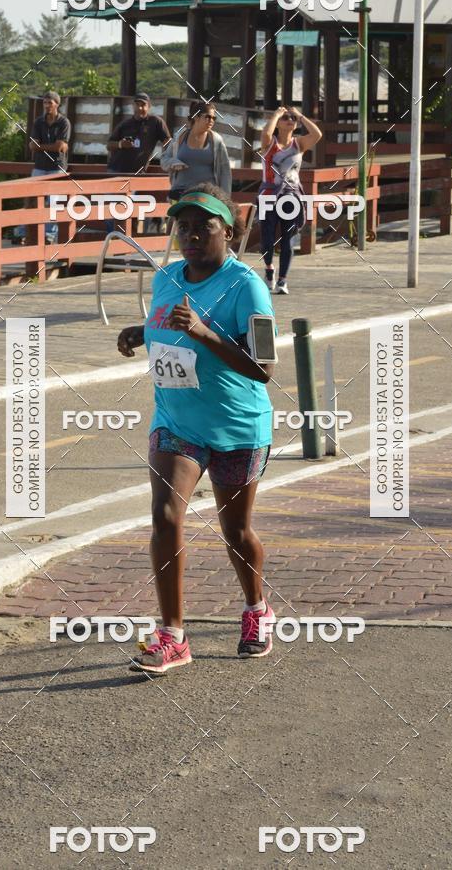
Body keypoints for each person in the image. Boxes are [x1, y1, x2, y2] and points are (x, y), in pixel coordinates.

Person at [117, 183, 276, 674]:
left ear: (228, 230)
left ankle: (256, 609)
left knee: (236, 531)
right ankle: (173, 635)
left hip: (237, 424)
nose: (190, 234)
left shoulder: (246, 284)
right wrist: (136, 332)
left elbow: (265, 366)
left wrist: (204, 333)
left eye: (203, 225)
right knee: (165, 516)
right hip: (177, 421)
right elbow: (164, 327)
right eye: (182, 226)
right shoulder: (165, 278)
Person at [258, 105, 322, 294]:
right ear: (278, 123)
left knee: (288, 239)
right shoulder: (270, 143)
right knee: (267, 239)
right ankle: (269, 269)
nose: (289, 120)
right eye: (286, 118)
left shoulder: (299, 143)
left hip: (291, 196)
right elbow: (265, 133)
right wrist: (276, 114)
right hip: (269, 194)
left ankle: (283, 280)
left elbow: (317, 134)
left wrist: (301, 115)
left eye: (291, 118)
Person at [15, 91, 71, 245]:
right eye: (45, 103)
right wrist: (51, 147)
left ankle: (49, 235)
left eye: (50, 103)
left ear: (57, 104)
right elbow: (33, 145)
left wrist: (43, 147)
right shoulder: (38, 122)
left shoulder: (64, 122)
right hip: (40, 166)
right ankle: (23, 232)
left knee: (54, 203)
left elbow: (60, 147)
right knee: (31, 201)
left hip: (57, 167)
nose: (47, 106)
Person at [161, 101, 232, 201]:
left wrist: (225, 200)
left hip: (207, 195)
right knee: (174, 215)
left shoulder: (217, 141)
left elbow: (225, 171)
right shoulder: (180, 137)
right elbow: (164, 159)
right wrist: (174, 163)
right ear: (196, 117)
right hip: (180, 192)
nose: (211, 121)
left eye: (214, 118)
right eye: (208, 117)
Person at [107, 93, 171, 175]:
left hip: (138, 173)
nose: (140, 108)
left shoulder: (155, 122)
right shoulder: (125, 124)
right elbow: (109, 145)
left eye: (143, 105)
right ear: (133, 106)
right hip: (116, 170)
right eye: (137, 105)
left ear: (149, 106)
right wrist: (121, 144)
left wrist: (169, 159)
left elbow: (168, 141)